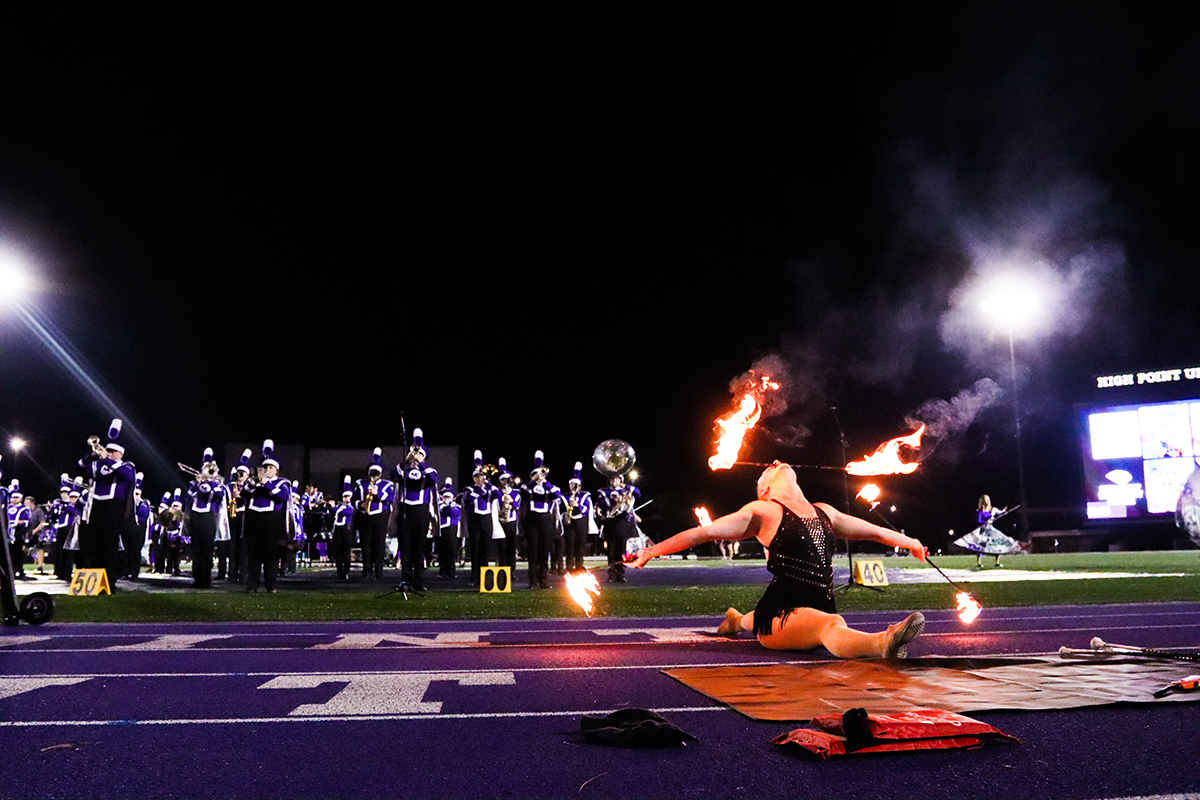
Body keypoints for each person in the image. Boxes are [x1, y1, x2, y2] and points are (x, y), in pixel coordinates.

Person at [630, 461, 928, 658]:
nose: (775, 463)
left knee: (821, 620)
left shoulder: (825, 511)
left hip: (816, 606)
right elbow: (701, 534)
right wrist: (650, 552)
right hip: (781, 612)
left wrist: (911, 542)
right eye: (767, 471)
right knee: (830, 624)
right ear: (765, 490)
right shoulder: (764, 511)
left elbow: (875, 532)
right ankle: (882, 643)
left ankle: (736, 620)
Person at [77, 419, 138, 586]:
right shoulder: (98, 464)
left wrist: (107, 459)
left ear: (121, 453)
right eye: (108, 450)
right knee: (93, 545)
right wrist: (93, 454)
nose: (109, 453)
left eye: (113, 451)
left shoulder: (126, 465)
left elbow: (128, 476)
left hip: (113, 508)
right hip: (96, 507)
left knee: (109, 545)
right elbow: (80, 466)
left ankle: (109, 582)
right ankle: (93, 582)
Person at [241, 440, 292, 593]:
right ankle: (252, 584)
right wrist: (252, 483)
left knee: (270, 553)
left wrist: (267, 484)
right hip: (253, 518)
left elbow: (283, 497)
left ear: (276, 470)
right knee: (253, 554)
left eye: (270, 468)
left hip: (271, 520)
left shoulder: (282, 482)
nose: (267, 470)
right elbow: (244, 494)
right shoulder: (255, 481)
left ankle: (271, 584)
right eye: (265, 467)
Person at [390, 429, 437, 591]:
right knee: (406, 547)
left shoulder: (428, 471)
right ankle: (405, 579)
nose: (416, 456)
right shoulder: (404, 470)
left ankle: (419, 580)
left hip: (420, 511)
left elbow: (433, 479)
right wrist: (406, 459)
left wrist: (421, 462)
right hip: (405, 511)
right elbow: (393, 475)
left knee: (419, 547)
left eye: (419, 454)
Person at [184, 448, 231, 588]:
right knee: (196, 550)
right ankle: (197, 578)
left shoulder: (217, 485)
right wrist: (199, 482)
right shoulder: (194, 485)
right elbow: (189, 496)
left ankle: (206, 578)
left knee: (207, 550)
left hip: (208, 518)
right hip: (195, 518)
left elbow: (218, 495)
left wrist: (211, 480)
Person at [521, 450, 563, 590]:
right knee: (532, 551)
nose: (539, 476)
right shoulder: (528, 486)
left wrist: (544, 482)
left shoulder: (549, 487)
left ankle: (543, 579)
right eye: (536, 474)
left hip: (546, 519)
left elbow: (557, 495)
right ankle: (532, 580)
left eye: (541, 473)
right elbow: (523, 493)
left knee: (544, 550)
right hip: (532, 519)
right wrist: (534, 481)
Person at [355, 448, 395, 580]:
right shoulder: (360, 484)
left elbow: (390, 499)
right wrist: (360, 505)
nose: (374, 474)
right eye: (372, 472)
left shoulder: (387, 485)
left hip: (380, 516)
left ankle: (379, 571)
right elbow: (354, 499)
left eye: (376, 472)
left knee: (379, 544)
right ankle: (366, 571)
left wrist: (378, 493)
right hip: (364, 516)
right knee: (365, 544)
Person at [596, 474, 641, 582]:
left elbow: (638, 493)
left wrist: (624, 487)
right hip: (610, 522)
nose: (614, 481)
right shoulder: (604, 492)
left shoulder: (626, 490)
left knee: (621, 548)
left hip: (622, 522)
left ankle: (620, 573)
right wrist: (614, 502)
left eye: (617, 478)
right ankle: (611, 573)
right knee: (611, 548)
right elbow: (600, 504)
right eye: (613, 478)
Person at [462, 452, 499, 583]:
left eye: (482, 476)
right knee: (475, 549)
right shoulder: (469, 489)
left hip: (486, 520)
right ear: (474, 478)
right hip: (475, 520)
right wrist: (479, 488)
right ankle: (474, 575)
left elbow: (499, 495)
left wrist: (488, 484)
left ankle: (485, 575)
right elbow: (469, 501)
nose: (480, 478)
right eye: (478, 476)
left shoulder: (490, 490)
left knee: (485, 549)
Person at [954, 494, 1018, 568]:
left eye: (988, 500)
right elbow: (978, 520)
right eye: (985, 500)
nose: (987, 501)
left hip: (991, 529)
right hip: (982, 530)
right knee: (981, 546)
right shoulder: (980, 511)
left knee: (997, 544)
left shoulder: (993, 509)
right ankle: (979, 562)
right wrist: (986, 522)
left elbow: (1000, 513)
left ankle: (997, 562)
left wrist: (1004, 511)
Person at [561, 462, 592, 574]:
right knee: (569, 545)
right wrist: (565, 515)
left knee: (580, 544)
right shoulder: (564, 496)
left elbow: (587, 510)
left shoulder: (585, 495)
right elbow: (560, 509)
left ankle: (579, 566)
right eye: (571, 483)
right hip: (570, 522)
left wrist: (578, 506)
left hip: (581, 521)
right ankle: (569, 566)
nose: (573, 486)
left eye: (575, 484)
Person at [331, 477, 356, 580]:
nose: (346, 499)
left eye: (348, 496)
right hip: (337, 529)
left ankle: (345, 571)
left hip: (347, 529)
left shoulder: (351, 506)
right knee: (337, 552)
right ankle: (339, 571)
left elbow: (345, 512)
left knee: (346, 551)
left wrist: (333, 508)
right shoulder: (340, 506)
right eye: (345, 496)